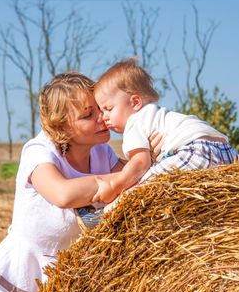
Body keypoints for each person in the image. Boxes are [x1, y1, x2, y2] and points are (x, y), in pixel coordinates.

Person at [0, 71, 162, 292]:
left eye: (100, 108)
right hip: (18, 278)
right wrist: (115, 181)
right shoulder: (39, 151)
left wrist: (151, 155)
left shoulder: (102, 151)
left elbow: (141, 180)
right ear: (61, 128)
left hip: (65, 278)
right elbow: (63, 194)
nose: (101, 117)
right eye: (88, 115)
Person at [93, 57, 238, 202]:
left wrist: (114, 187)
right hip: (228, 153)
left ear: (135, 102)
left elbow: (140, 164)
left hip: (196, 151)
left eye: (108, 109)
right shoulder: (156, 114)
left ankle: (106, 213)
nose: (103, 117)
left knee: (140, 189)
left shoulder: (134, 122)